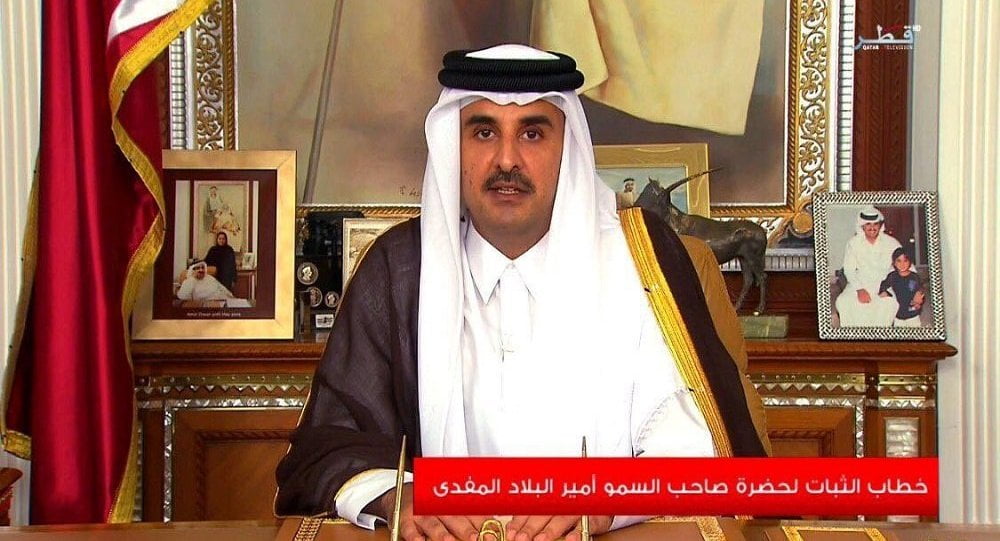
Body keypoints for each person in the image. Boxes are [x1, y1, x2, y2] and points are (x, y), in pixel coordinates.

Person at [275, 45, 769, 541]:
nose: (507, 159)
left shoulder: (640, 259)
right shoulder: (400, 268)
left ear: (566, 149)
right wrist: (397, 497)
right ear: (454, 147)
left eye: (532, 133)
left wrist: (610, 498)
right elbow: (332, 443)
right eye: (484, 132)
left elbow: (691, 445)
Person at [834, 206, 901, 327]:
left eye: (875, 224)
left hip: (884, 284)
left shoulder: (892, 243)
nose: (872, 228)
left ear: (880, 225)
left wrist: (916, 289)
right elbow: (849, 269)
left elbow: (906, 265)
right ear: (862, 226)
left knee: (888, 304)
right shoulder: (853, 243)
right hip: (859, 282)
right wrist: (860, 289)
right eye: (868, 224)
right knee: (843, 302)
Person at [878, 246, 926, 328]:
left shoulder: (914, 277)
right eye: (899, 261)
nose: (902, 264)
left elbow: (920, 290)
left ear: (910, 262)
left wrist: (919, 299)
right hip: (898, 315)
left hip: (913, 313)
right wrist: (884, 292)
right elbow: (884, 285)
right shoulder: (892, 276)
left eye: (905, 261)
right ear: (894, 263)